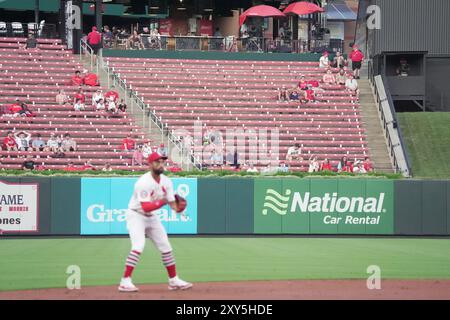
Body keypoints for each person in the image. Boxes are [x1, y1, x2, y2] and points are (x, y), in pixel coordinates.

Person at [118, 152, 192, 292]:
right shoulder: (143, 183)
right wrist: (163, 202)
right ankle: (125, 281)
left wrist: (178, 209)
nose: (161, 164)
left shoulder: (166, 181)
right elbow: (145, 206)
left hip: (151, 216)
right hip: (136, 215)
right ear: (150, 164)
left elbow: (171, 203)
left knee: (166, 247)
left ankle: (173, 280)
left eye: (162, 161)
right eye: (157, 162)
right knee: (138, 246)